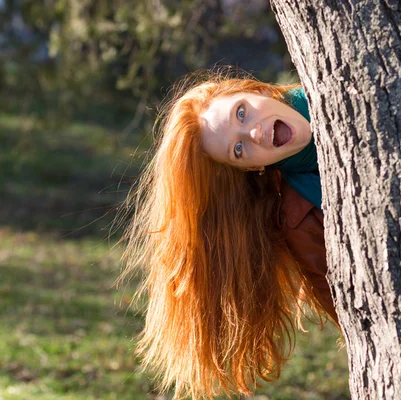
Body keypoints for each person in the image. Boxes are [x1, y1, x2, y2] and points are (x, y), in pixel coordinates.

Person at [121, 71, 337, 399]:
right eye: (238, 149)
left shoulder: (342, 77)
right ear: (252, 169)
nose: (254, 131)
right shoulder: (302, 222)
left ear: (259, 90)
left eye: (242, 111)